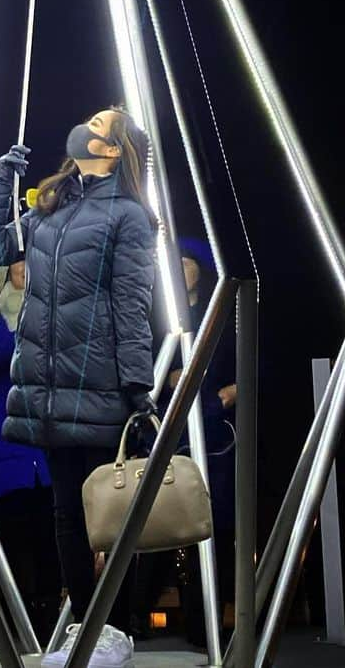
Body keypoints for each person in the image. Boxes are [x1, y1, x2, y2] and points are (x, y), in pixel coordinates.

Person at [0, 106, 157, 668]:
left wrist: (136, 385)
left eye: (100, 124)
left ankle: (116, 631)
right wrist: (0, 184)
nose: (86, 126)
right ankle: (86, 626)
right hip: (49, 386)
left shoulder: (127, 215)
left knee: (111, 515)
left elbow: (132, 302)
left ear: (114, 149)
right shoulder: (51, 209)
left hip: (99, 382)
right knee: (67, 514)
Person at [131, 237, 237, 647]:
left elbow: (247, 366)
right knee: (158, 526)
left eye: (187, 262)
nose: (180, 269)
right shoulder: (156, 318)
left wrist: (226, 395)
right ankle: (137, 615)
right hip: (169, 431)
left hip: (215, 433)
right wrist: (166, 380)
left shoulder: (223, 314)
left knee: (212, 528)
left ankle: (205, 621)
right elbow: (145, 371)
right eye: (173, 264)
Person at [0, 259, 59, 648]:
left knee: (46, 539)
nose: (24, 267)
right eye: (17, 262)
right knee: (0, 538)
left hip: (41, 445)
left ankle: (44, 626)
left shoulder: (55, 312)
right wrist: (33, 327)